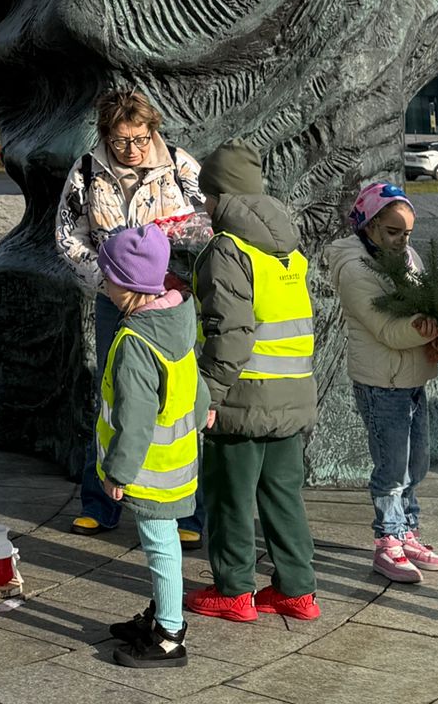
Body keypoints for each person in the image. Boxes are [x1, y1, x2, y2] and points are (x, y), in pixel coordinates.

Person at [56, 88, 209, 536]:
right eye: (121, 140)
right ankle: (101, 502)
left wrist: (172, 246)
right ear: (106, 134)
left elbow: (209, 220)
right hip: (115, 298)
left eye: (140, 138)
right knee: (111, 391)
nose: (132, 149)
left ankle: (188, 510)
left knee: (177, 393)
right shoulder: (87, 171)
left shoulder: (179, 166)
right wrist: (107, 278)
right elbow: (67, 235)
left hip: (170, 297)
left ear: (152, 130)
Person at [183, 141, 319, 624]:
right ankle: (297, 590)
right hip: (292, 392)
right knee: (284, 495)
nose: (205, 205)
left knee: (230, 498)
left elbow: (231, 333)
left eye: (207, 196)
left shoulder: (228, 249)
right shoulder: (289, 249)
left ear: (220, 196)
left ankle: (234, 590)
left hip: (241, 398)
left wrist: (208, 394)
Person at [95, 226, 210, 670]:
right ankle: (162, 615)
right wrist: (203, 409)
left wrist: (118, 472)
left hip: (150, 469)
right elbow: (192, 376)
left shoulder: (136, 344)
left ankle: (169, 634)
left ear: (127, 285)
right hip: (179, 459)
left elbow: (136, 417)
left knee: (161, 546)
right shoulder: (175, 318)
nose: (104, 285)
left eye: (108, 278)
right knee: (164, 544)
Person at [324, 181, 438, 584]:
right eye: (393, 232)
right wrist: (433, 328)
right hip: (382, 382)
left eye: (407, 233)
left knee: (416, 463)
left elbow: (424, 302)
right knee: (392, 467)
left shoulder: (408, 257)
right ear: (369, 225)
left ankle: (408, 531)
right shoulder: (355, 267)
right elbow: (389, 331)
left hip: (412, 378)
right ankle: (388, 540)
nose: (402, 241)